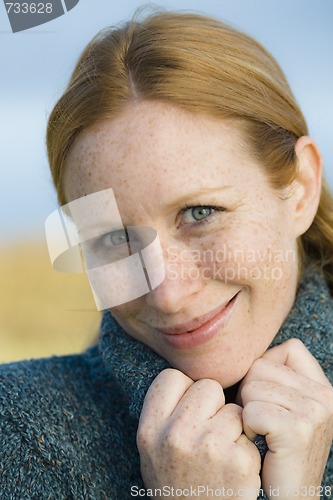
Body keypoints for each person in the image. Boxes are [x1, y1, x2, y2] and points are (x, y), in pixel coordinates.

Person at [1, 9, 333, 499]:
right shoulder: (20, 431)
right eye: (114, 240)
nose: (169, 294)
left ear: (301, 188)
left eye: (200, 213)